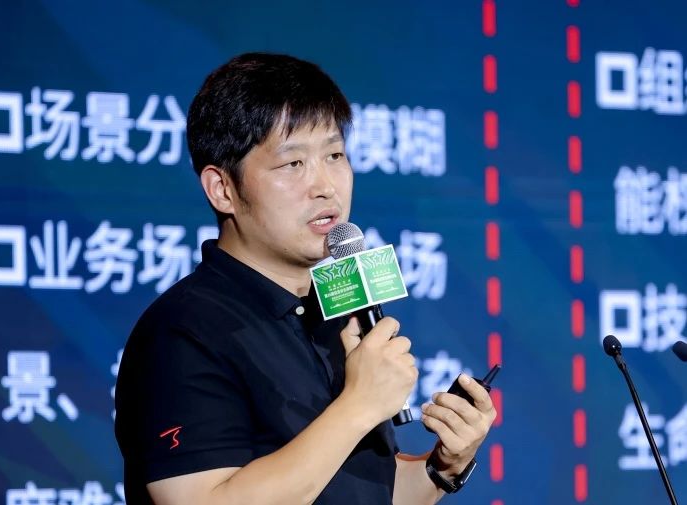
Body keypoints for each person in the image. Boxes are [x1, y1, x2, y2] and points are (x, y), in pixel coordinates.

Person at [114, 52, 496, 505]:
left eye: (335, 155)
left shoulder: (337, 315)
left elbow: (366, 491)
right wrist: (358, 406)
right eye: (293, 163)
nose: (325, 186)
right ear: (223, 189)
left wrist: (443, 466)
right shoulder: (182, 331)